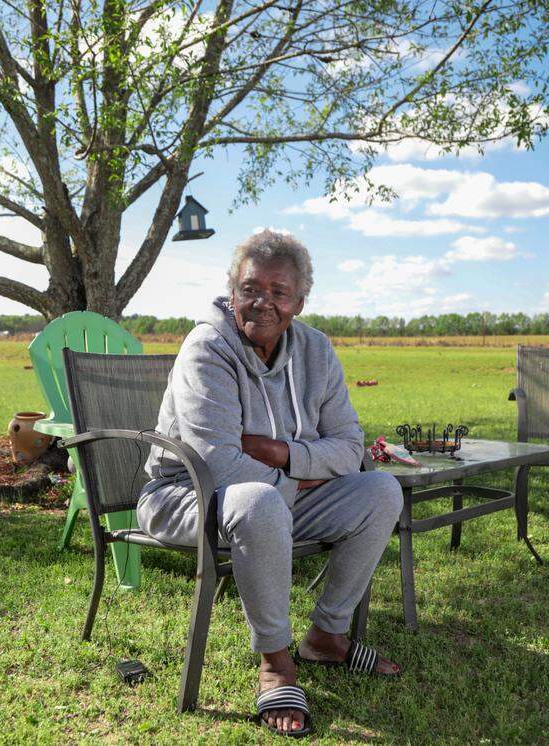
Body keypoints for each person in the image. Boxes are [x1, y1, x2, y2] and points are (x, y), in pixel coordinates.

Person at [138, 230, 403, 736]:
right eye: (249, 288)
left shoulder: (316, 351)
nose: (262, 302)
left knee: (381, 491)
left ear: (299, 301)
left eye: (278, 292)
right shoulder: (207, 347)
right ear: (232, 290)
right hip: (185, 496)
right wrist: (300, 475)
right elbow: (217, 462)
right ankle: (276, 662)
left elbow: (350, 448)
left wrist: (281, 454)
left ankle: (326, 635)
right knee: (258, 500)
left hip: (274, 493)